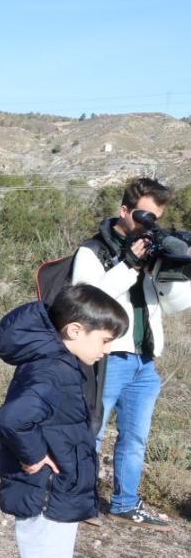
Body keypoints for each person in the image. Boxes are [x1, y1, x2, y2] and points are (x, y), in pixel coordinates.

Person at [0, 284, 128, 558]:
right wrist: (33, 460)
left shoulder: (62, 362)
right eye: (104, 341)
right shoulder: (53, 370)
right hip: (46, 494)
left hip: (55, 493)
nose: (107, 350)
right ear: (74, 330)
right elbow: (13, 420)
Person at [71, 177, 175, 530]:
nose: (150, 224)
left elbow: (171, 305)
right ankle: (79, 500)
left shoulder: (150, 249)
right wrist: (128, 263)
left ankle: (126, 503)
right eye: (145, 215)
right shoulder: (93, 250)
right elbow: (86, 300)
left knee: (135, 437)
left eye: (156, 218)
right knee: (93, 430)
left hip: (145, 361)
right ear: (124, 211)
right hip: (108, 355)